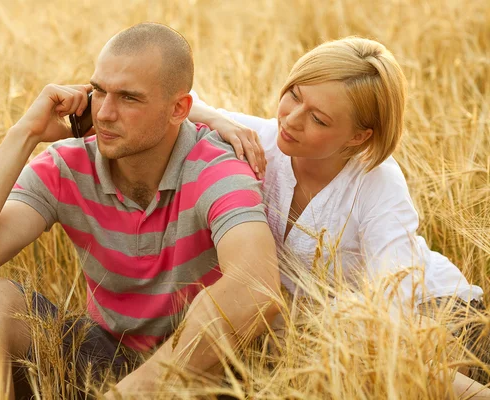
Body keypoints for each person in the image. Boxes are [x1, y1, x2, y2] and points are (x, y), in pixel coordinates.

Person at [0, 23, 280, 399]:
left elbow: (256, 289)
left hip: (202, 373)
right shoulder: (67, 165)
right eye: (99, 92)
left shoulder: (216, 169)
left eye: (129, 98)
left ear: (179, 109)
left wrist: (132, 393)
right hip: (104, 358)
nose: (105, 114)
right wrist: (23, 134)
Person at [187, 37, 489, 396]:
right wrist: (217, 119)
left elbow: (388, 309)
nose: (292, 120)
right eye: (295, 94)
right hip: (331, 332)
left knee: (369, 356)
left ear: (359, 136)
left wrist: (321, 337)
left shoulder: (377, 182)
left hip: (437, 317)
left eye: (318, 119)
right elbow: (175, 102)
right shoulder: (261, 140)